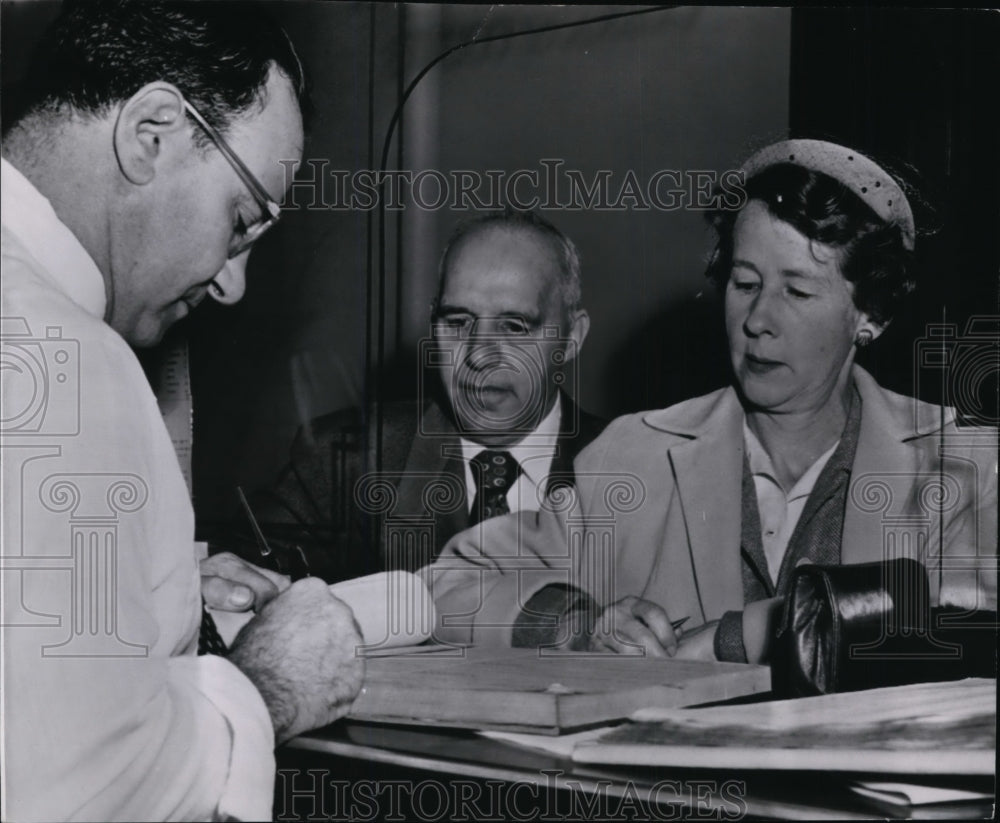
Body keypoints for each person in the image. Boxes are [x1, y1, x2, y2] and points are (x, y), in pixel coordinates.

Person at [422, 139, 998, 659]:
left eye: (796, 290)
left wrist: (735, 635)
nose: (758, 320)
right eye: (744, 284)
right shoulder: (637, 454)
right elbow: (450, 584)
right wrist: (577, 624)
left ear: (870, 315)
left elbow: (961, 621)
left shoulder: (963, 461)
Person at [1, 2, 363, 820]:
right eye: (241, 223)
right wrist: (267, 686)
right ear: (153, 130)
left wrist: (137, 589)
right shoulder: (66, 355)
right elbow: (81, 797)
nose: (233, 283)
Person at [249, 209, 606, 577]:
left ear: (572, 337)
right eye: (457, 322)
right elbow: (243, 577)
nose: (479, 356)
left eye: (514, 326)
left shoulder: (642, 469)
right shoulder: (345, 461)